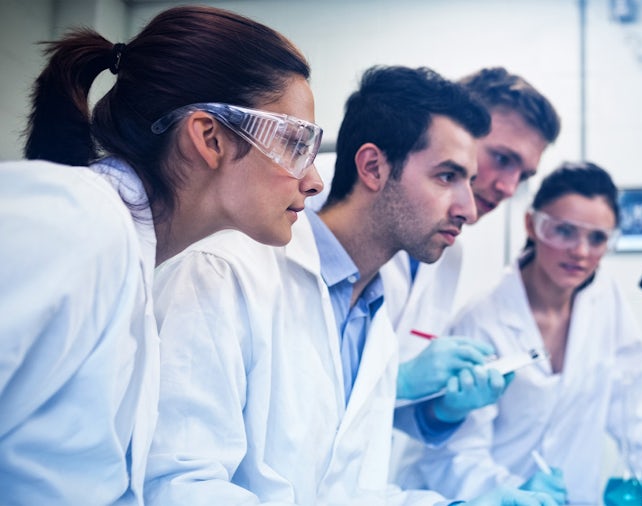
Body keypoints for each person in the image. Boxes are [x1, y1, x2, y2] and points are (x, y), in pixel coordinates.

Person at [145, 64, 555, 505]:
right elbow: (179, 485)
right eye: (447, 176)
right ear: (373, 167)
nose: (470, 210)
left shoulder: (370, 309)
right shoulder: (223, 272)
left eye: (469, 182)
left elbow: (344, 488)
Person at [1, 5, 323, 504]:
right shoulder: (77, 219)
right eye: (294, 142)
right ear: (210, 137)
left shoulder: (134, 264)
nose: (313, 178)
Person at [416, 163, 642, 505]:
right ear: (532, 225)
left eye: (597, 238)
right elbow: (456, 454)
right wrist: (516, 494)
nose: (581, 251)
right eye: (565, 231)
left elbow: (636, 419)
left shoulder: (607, 303)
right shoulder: (481, 320)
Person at [385, 66, 561, 489]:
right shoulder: (305, 221)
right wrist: (398, 378)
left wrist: (441, 411)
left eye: (524, 175)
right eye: (503, 158)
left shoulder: (446, 254)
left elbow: (382, 415)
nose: (507, 186)